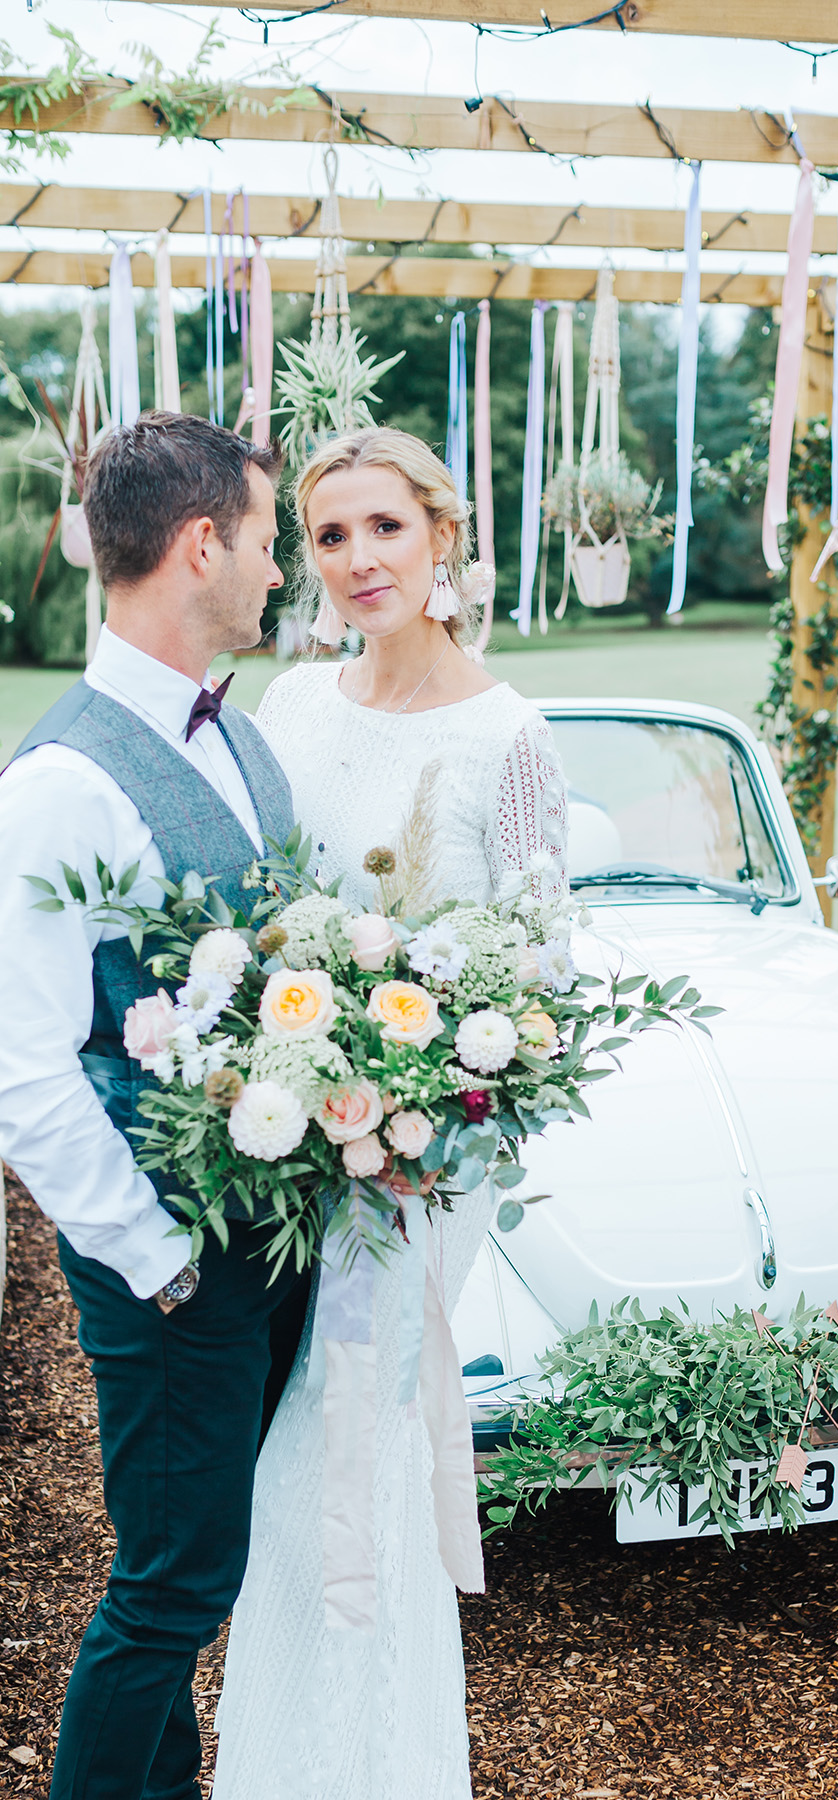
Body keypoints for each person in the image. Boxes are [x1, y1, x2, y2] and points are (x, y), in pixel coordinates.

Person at [212, 427, 568, 1800]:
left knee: (350, 1435)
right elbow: (244, 921)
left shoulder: (508, 735)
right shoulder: (292, 709)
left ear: (442, 540)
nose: (358, 560)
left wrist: (421, 1131)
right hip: (279, 1150)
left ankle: (375, 1766)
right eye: (329, 536)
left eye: (384, 529)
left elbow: (545, 992)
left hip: (419, 1174)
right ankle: (291, 1753)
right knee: (282, 1453)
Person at [0, 412, 312, 1800]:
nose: (277, 571)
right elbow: (21, 1072)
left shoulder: (237, 747)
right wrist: (165, 1263)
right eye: (265, 540)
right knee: (167, 1592)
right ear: (201, 544)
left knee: (200, 1571)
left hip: (271, 1239)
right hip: (174, 1265)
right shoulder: (57, 788)